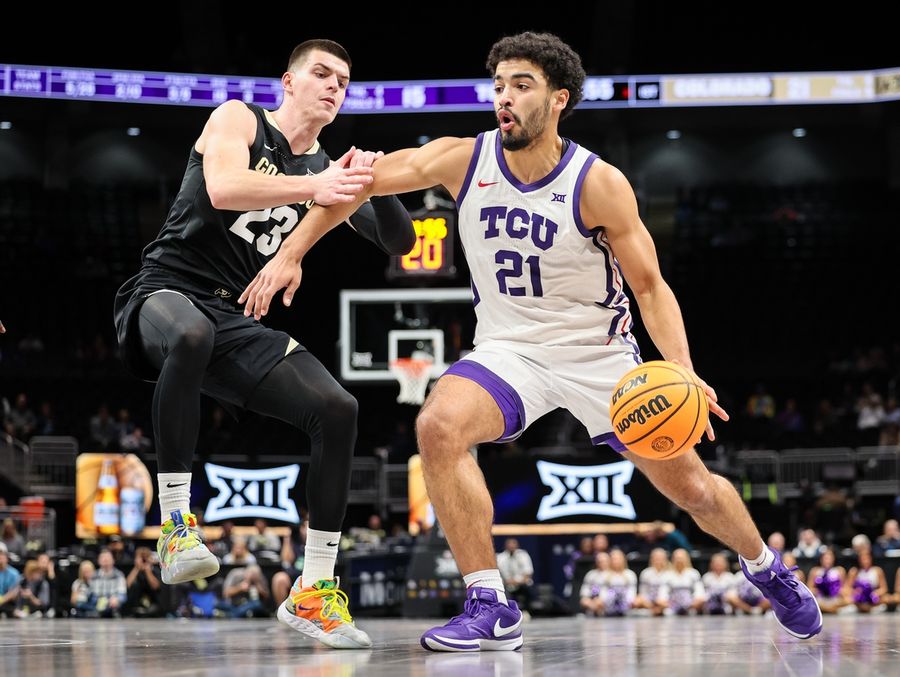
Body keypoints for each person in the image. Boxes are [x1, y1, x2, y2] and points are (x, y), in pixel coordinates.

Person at [240, 31, 821, 649]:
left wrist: (681, 369)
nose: (505, 98)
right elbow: (356, 181)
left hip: (599, 354)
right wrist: (292, 252)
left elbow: (650, 286)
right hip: (508, 349)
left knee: (694, 489)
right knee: (438, 424)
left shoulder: (599, 183)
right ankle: (489, 601)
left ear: (558, 99)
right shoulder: (463, 158)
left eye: (522, 86)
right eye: (498, 86)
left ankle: (766, 567)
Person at [113, 39, 415, 649]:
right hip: (164, 295)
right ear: (288, 82)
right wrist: (318, 189)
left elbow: (399, 242)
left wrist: (376, 182)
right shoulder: (238, 119)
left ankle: (313, 589)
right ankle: (176, 525)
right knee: (192, 334)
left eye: (343, 81)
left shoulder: (325, 166)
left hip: (235, 318)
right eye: (322, 74)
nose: (334, 86)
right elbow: (224, 188)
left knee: (339, 409)